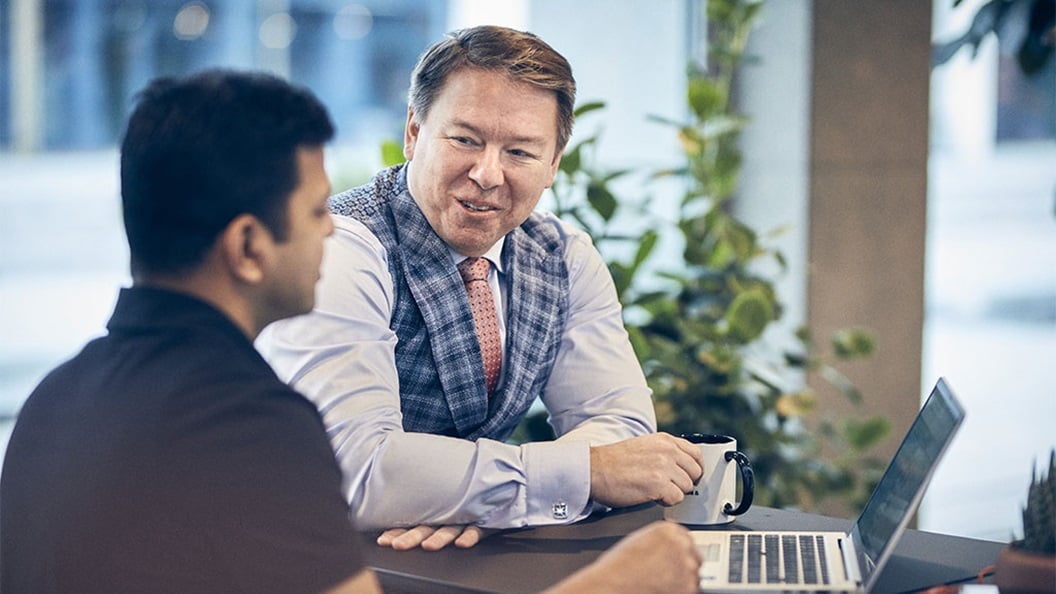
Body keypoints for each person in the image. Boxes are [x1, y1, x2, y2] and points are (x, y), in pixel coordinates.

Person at [0, 69, 703, 594]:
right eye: (313, 212)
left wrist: (474, 492)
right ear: (248, 247)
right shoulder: (250, 427)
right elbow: (366, 473)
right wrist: (617, 583)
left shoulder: (57, 399)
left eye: (519, 150)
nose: (335, 225)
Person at [258, 24, 706, 552]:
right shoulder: (343, 248)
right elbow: (356, 470)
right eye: (466, 139)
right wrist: (547, 484)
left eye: (520, 152)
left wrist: (492, 498)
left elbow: (623, 428)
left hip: (448, 564)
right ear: (414, 132)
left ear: (553, 164)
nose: (488, 174)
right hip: (280, 556)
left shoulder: (564, 257)